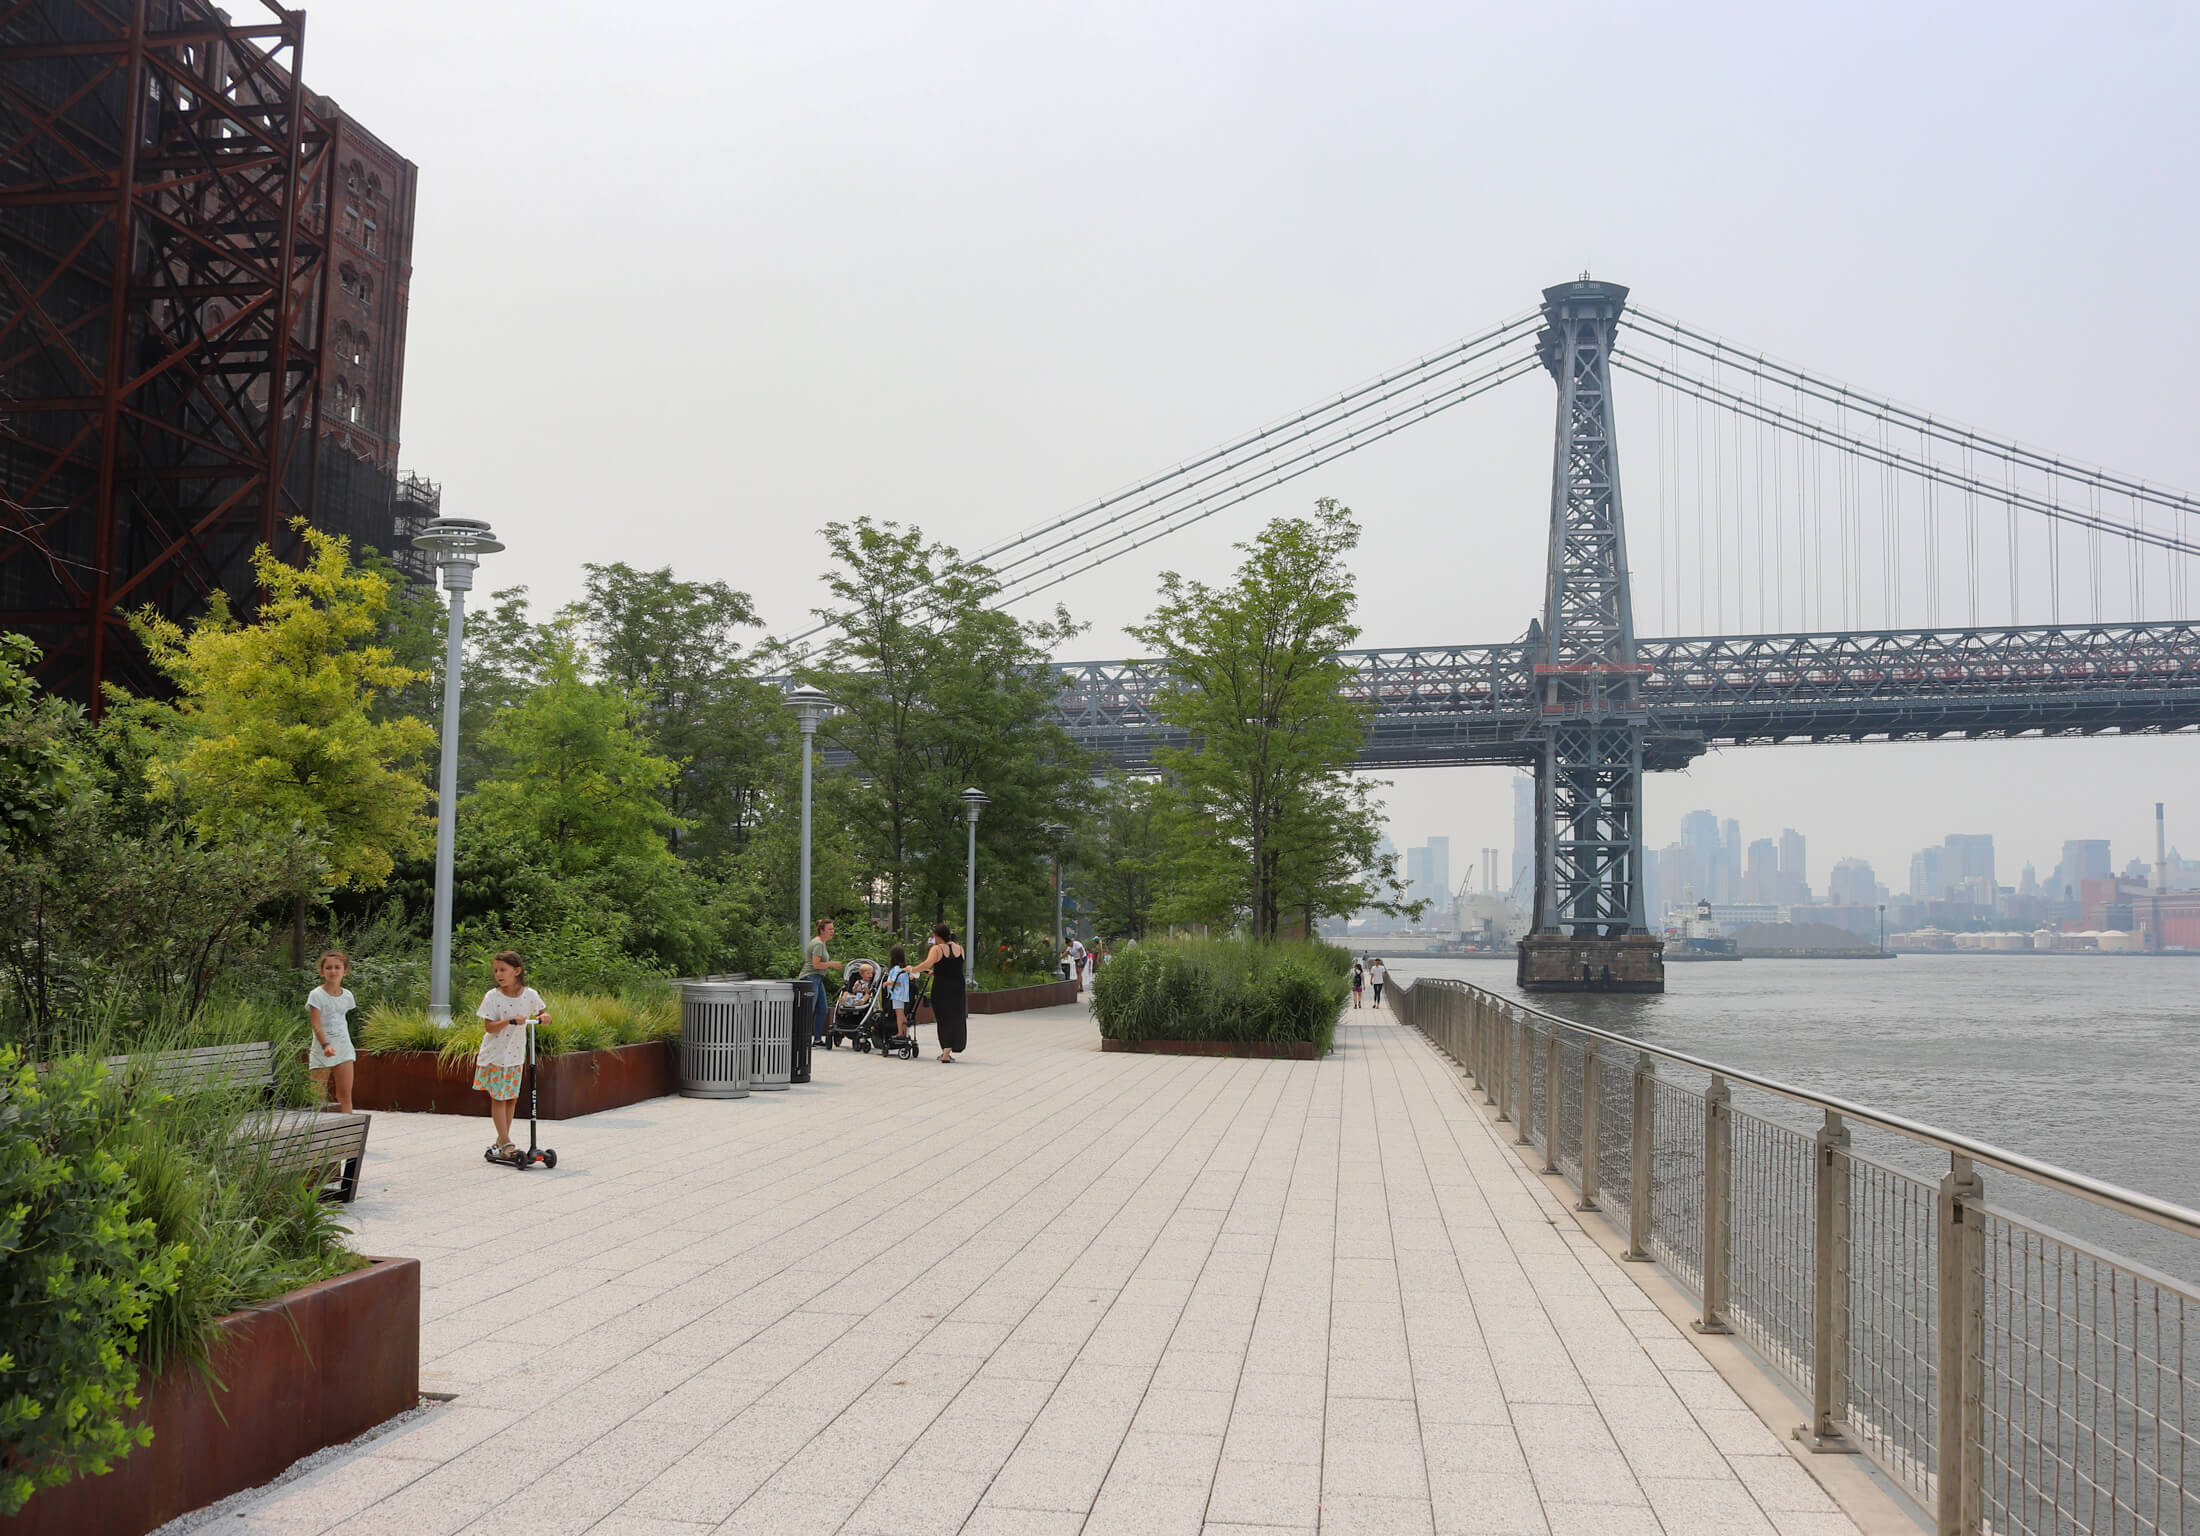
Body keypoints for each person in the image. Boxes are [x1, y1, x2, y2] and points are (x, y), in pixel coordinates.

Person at [475, 950, 549, 1161]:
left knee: (511, 1098)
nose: (498, 974)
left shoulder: (530, 995)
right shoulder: (493, 997)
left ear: (517, 971)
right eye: (496, 970)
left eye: (503, 970)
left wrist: (545, 1017)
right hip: (496, 1055)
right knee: (499, 1097)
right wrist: (508, 1021)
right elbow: (489, 1027)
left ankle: (501, 1140)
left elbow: (541, 1012)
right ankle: (506, 1142)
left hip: (516, 1055)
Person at [307, 950, 358, 1113]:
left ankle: (348, 1132)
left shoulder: (348, 996)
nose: (333, 971)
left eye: (337, 967)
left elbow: (342, 1020)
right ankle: (316, 1133)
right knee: (317, 1096)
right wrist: (325, 1045)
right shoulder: (316, 995)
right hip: (322, 1051)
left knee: (345, 1095)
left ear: (345, 971)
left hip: (344, 1050)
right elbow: (316, 1024)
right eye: (328, 968)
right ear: (322, 971)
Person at [912, 921, 967, 1063]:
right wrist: (936, 972)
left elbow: (927, 964)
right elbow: (953, 968)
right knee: (955, 1017)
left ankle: (945, 1053)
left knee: (943, 1018)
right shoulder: (960, 948)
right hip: (958, 988)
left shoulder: (937, 949)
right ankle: (948, 1051)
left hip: (942, 987)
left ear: (937, 936)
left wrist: (912, 969)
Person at [805, 917, 842, 1045]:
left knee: (822, 1009)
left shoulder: (822, 943)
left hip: (818, 978)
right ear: (822, 930)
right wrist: (831, 964)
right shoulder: (818, 944)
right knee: (809, 1009)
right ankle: (804, 1038)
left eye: (833, 928)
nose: (832, 931)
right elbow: (816, 964)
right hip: (811, 977)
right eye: (829, 929)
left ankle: (817, 1038)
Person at [885, 945, 913, 1038]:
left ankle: (900, 1033)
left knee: (899, 1014)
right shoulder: (903, 968)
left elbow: (896, 982)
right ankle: (905, 1032)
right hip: (903, 994)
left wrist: (886, 983)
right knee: (902, 1014)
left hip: (897, 994)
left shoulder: (896, 969)